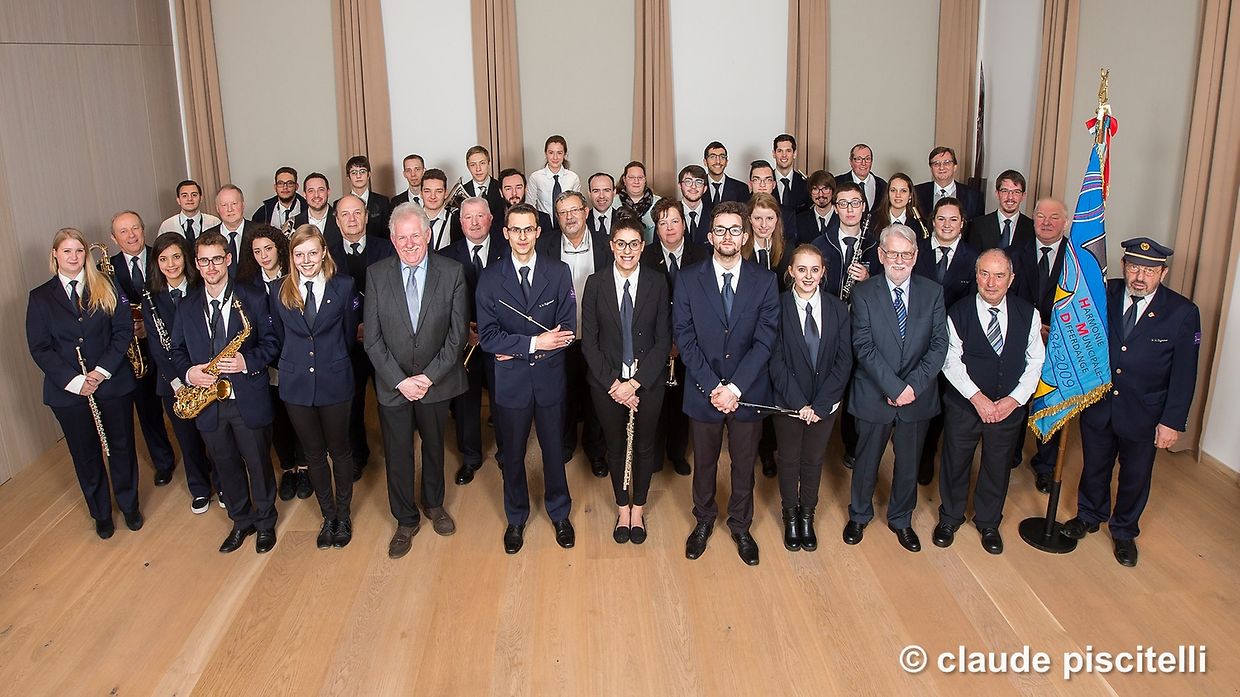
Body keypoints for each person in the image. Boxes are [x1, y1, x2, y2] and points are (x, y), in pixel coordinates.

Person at [1063, 238, 1201, 567]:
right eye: (1135, 267)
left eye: (1150, 270)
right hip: (1099, 404)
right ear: (1124, 266)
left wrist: (1172, 422)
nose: (1140, 276)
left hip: (1145, 412)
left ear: (1163, 273)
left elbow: (1185, 374)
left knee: (1135, 475)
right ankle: (1089, 514)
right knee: (1094, 465)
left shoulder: (1182, 312)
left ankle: (1124, 531)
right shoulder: (1102, 294)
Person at [674, 201, 779, 566]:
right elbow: (684, 338)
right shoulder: (688, 279)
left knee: (743, 463)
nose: (728, 236)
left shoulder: (765, 282)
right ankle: (703, 520)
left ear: (745, 236)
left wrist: (734, 389)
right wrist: (714, 388)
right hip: (703, 391)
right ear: (710, 236)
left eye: (735, 230)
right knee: (703, 463)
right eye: (721, 230)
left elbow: (765, 341)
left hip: (747, 393)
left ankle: (740, 524)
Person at [364, 202, 469, 559]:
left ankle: (434, 505)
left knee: (435, 446)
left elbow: (457, 337)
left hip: (436, 382)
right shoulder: (377, 274)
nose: (409, 243)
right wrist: (400, 381)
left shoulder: (452, 272)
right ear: (392, 240)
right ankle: (405, 519)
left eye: (415, 235)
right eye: (401, 237)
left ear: (427, 235)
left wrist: (427, 378)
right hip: (393, 385)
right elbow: (372, 339)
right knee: (398, 453)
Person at [475, 203, 578, 554]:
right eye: (515, 230)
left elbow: (566, 332)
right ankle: (516, 518)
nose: (521, 236)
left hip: (550, 380)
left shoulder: (560, 272)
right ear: (505, 234)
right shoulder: (490, 278)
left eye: (528, 229)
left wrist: (516, 347)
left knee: (553, 451)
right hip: (511, 385)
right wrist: (536, 342)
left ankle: (559, 513)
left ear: (538, 232)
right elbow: (487, 338)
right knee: (513, 453)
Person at [171, 229, 281, 554]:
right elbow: (175, 349)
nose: (211, 267)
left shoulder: (254, 297)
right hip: (209, 402)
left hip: (246, 395)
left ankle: (265, 523)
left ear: (228, 259)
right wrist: (190, 372)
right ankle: (240, 520)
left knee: (258, 463)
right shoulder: (187, 305)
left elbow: (272, 343)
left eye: (217, 259)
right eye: (203, 261)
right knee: (224, 464)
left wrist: (246, 360)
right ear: (196, 264)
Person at [27, 228, 141, 539]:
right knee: (86, 453)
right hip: (69, 393)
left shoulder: (105, 285)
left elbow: (122, 331)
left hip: (111, 383)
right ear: (55, 255)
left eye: (79, 251)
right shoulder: (40, 297)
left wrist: (101, 371)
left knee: (121, 447)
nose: (74, 257)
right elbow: (39, 347)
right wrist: (76, 380)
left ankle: (129, 505)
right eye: (67, 251)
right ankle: (101, 513)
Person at [843, 224, 948, 554]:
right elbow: (863, 346)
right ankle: (859, 514)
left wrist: (910, 388)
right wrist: (892, 386)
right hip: (874, 393)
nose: (898, 260)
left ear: (915, 256)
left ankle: (901, 519)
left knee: (908, 464)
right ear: (881, 255)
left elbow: (938, 345)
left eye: (905, 254)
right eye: (892, 254)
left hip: (916, 397)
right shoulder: (864, 293)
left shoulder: (933, 292)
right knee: (866, 460)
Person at [936, 249, 1044, 554]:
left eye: (999, 275)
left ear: (1011, 279)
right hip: (965, 406)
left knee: (997, 466)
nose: (991, 282)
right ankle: (950, 517)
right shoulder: (958, 311)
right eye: (984, 274)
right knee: (955, 462)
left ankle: (988, 522)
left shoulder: (1028, 314)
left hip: (1008, 408)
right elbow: (950, 360)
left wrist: (1014, 400)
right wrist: (978, 398)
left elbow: (1035, 361)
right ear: (976, 275)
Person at [269, 226, 360, 549]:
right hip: (296, 385)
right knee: (313, 454)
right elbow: (279, 339)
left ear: (323, 252)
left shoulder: (345, 286)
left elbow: (349, 335)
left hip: (335, 380)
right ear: (291, 257)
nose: (306, 260)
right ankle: (329, 515)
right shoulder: (280, 290)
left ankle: (345, 515)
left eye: (312, 253)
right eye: (299, 254)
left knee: (340, 450)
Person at [581, 218, 670, 544]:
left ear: (642, 246)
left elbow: (664, 339)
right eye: (621, 243)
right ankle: (622, 506)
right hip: (606, 384)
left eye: (634, 244)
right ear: (611, 246)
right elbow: (588, 341)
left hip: (647, 383)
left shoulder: (657, 283)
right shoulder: (595, 283)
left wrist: (635, 384)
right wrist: (615, 384)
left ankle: (639, 508)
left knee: (645, 447)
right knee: (616, 447)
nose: (627, 250)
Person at [769, 244, 852, 552]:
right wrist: (798, 403)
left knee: (813, 460)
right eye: (801, 269)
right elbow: (774, 360)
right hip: (788, 402)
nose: (808, 276)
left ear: (823, 272)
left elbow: (844, 361)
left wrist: (819, 405)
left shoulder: (837, 308)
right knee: (789, 460)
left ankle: (807, 516)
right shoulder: (777, 307)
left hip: (824, 405)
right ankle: (790, 516)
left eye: (814, 270)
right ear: (790, 271)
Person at [140, 232, 216, 513]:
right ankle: (199, 488)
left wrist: (200, 374)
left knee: (214, 435)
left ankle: (221, 483)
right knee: (187, 438)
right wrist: (178, 382)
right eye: (163, 259)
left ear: (186, 257)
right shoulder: (150, 296)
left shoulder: (201, 287)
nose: (171, 264)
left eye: (176, 256)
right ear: (156, 263)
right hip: (173, 382)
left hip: (206, 374)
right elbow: (158, 348)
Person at [439, 197, 510, 485]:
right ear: (460, 222)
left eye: (480, 216)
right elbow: (441, 303)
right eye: (468, 217)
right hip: (463, 343)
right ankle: (470, 458)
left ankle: (507, 454)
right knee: (466, 404)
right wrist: (462, 330)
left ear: (491, 220)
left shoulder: (509, 251)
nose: (475, 222)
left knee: (503, 401)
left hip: (501, 341)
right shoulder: (445, 256)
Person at [236, 225, 309, 500]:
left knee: (298, 417)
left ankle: (305, 467)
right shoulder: (245, 285)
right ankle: (288, 468)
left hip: (294, 359)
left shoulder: (295, 277)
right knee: (276, 417)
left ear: (279, 247)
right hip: (263, 363)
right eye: (257, 251)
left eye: (268, 248)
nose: (264, 255)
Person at [327, 194, 396, 481]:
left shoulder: (387, 248)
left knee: (390, 402)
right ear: (337, 220)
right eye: (345, 214)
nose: (352, 219)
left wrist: (373, 326)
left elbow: (396, 295)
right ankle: (358, 455)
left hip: (384, 340)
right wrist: (352, 327)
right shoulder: (326, 254)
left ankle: (395, 453)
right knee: (351, 404)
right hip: (347, 343)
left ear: (367, 217)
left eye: (357, 213)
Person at [542, 191, 611, 478]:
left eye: (574, 210)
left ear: (585, 212)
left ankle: (596, 451)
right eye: (562, 212)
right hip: (559, 337)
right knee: (563, 394)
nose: (569, 217)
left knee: (596, 396)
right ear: (556, 217)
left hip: (598, 337)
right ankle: (566, 444)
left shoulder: (606, 245)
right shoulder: (545, 245)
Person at [912, 197, 980, 485]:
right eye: (941, 219)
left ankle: (930, 455)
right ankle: (916, 454)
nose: (947, 224)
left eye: (953, 219)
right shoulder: (916, 253)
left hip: (955, 346)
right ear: (933, 222)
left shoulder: (974, 258)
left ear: (962, 224)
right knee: (917, 401)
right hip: (916, 341)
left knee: (942, 404)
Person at [108, 211, 177, 487]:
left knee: (178, 401)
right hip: (133, 349)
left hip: (167, 343)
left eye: (135, 228)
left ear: (143, 229)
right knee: (147, 408)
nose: (131, 235)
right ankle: (164, 461)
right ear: (114, 238)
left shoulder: (163, 258)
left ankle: (201, 456)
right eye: (123, 231)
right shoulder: (107, 269)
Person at [641, 198, 708, 476]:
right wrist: (664, 343)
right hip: (654, 344)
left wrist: (682, 342)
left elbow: (705, 304)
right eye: (662, 223)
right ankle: (654, 455)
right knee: (654, 402)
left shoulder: (701, 255)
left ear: (684, 224)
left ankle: (677, 453)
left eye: (674, 221)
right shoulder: (645, 256)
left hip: (690, 344)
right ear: (656, 228)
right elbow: (643, 306)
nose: (669, 228)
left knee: (683, 402)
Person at [1010, 198, 1071, 492]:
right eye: (1041, 216)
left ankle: (1046, 465)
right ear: (1032, 219)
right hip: (1021, 340)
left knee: (1051, 404)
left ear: (1065, 222)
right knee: (1018, 395)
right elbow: (1005, 297)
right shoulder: (1015, 253)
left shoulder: (1078, 259)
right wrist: (1032, 327)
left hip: (1059, 344)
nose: (1046, 223)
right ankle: (1010, 452)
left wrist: (1055, 330)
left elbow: (1083, 305)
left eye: (1054, 217)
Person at [745, 192, 790, 478]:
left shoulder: (787, 251)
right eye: (758, 218)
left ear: (777, 221)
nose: (763, 224)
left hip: (779, 335)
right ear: (749, 220)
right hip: (748, 336)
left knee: (775, 394)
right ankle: (755, 450)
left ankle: (771, 450)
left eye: (769, 218)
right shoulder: (742, 250)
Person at [965, 170, 1034, 251]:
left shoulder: (1032, 228)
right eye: (1005, 191)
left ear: (1023, 196)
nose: (1010, 197)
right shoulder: (979, 225)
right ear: (997, 194)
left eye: (1016, 192)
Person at [915, 146, 983, 221]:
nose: (941, 167)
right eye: (936, 164)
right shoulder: (916, 193)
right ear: (931, 168)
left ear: (955, 167)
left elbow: (977, 226)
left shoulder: (973, 196)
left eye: (947, 163)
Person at [204, 184, 257, 277]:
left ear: (243, 205)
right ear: (217, 208)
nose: (230, 209)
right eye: (224, 205)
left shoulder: (259, 232)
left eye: (234, 204)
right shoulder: (206, 237)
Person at [526, 135, 580, 224]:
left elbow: (576, 206)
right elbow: (529, 206)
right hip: (544, 227)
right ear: (546, 153)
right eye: (551, 153)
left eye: (559, 153)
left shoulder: (573, 178)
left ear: (565, 154)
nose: (555, 157)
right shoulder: (536, 177)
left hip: (568, 224)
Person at [340, 154, 391, 238]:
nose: (358, 176)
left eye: (362, 171)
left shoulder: (382, 202)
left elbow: (387, 233)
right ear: (348, 176)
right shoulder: (340, 204)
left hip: (379, 248)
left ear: (369, 175)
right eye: (354, 172)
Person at [158, 179, 220, 243]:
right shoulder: (167, 226)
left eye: (194, 195)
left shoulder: (214, 222)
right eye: (184, 196)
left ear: (201, 198)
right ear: (178, 200)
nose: (190, 199)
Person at [835, 144, 888, 214]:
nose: (863, 163)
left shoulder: (883, 185)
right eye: (859, 159)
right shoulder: (837, 183)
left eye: (867, 159)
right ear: (850, 161)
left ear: (872, 161)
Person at [872, 172, 927, 239]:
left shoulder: (920, 224)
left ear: (910, 195)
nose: (898, 195)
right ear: (888, 194)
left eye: (903, 191)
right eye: (893, 190)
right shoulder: (873, 220)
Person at [618, 160, 662, 243]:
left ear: (645, 179)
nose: (636, 181)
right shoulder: (613, 203)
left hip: (652, 252)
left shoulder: (659, 203)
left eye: (640, 178)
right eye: (631, 178)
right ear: (624, 180)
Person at [499, 168, 555, 232]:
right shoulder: (493, 221)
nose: (514, 193)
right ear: (501, 192)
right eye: (508, 189)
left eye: (518, 188)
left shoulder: (543, 220)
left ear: (525, 189)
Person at [294, 172, 341, 246]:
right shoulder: (294, 223)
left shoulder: (341, 219)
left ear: (328, 192)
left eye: (321, 190)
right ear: (304, 195)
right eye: (311, 191)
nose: (316, 195)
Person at [462, 145, 506, 218]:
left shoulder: (501, 187)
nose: (478, 169)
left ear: (489, 163)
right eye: (473, 165)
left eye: (482, 163)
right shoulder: (462, 192)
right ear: (468, 167)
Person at [793, 171, 837, 245]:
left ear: (832, 191)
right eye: (815, 189)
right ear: (810, 193)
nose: (820, 194)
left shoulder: (842, 218)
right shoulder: (799, 220)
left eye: (825, 189)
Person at [771, 134, 809, 213]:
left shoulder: (805, 184)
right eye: (779, 151)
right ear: (774, 154)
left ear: (794, 154)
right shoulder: (765, 183)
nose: (784, 155)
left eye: (788, 151)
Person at [702, 141, 749, 205]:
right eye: (712, 157)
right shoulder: (698, 186)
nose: (718, 161)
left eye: (722, 157)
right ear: (705, 162)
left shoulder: (741, 188)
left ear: (726, 162)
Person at [420, 168, 455, 251]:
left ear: (446, 193)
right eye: (427, 191)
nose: (433, 196)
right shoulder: (412, 220)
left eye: (438, 191)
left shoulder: (456, 220)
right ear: (421, 193)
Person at [677, 164, 713, 246]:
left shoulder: (714, 215)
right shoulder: (669, 213)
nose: (693, 186)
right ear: (680, 185)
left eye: (699, 182)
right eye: (688, 182)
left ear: (705, 188)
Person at [586, 172, 621, 237]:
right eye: (596, 191)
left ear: (614, 192)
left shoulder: (623, 220)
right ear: (589, 193)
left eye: (606, 190)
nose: (601, 196)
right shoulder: (582, 221)